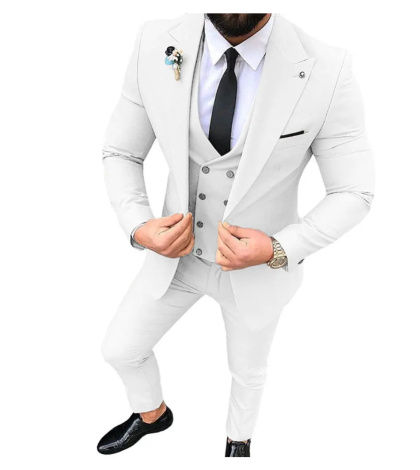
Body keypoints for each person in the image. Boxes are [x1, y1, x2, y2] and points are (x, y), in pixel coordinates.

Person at [97, 13, 375, 457]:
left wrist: (279, 248)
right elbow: (121, 151)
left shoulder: (328, 67)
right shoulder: (155, 41)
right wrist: (138, 224)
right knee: (120, 348)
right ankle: (152, 414)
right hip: (177, 260)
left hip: (258, 270)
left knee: (247, 372)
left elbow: (353, 191)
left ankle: (238, 443)